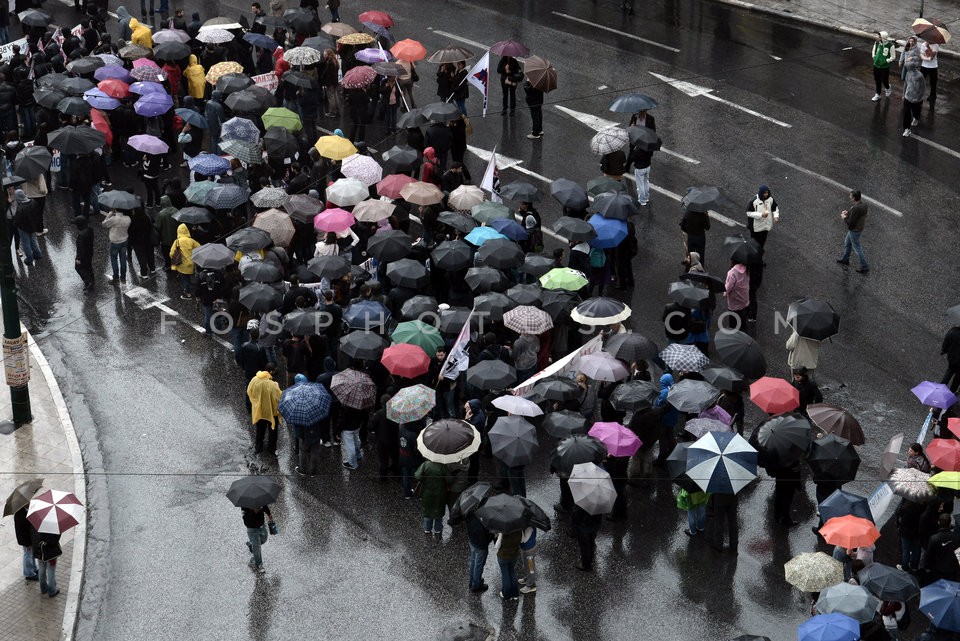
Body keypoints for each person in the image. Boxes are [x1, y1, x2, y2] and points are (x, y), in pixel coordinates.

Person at [247, 363, 282, 454]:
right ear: (271, 371)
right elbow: (278, 397)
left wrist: (255, 403)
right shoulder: (272, 384)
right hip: (271, 411)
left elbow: (249, 391)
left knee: (260, 430)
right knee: (272, 431)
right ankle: (271, 449)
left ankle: (258, 447)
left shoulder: (254, 379)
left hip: (259, 410)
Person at [414, 459, 450, 539]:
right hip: (440, 493)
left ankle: (427, 528)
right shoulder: (443, 466)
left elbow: (417, 476)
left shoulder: (425, 464)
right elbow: (450, 480)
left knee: (427, 509)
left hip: (427, 493)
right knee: (439, 509)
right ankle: (437, 529)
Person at [836, 190, 870, 273]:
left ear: (854, 198)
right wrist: (848, 213)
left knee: (857, 248)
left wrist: (844, 217)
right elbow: (856, 215)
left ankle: (864, 266)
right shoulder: (863, 205)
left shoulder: (856, 208)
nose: (849, 198)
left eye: (851, 196)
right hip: (859, 228)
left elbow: (851, 223)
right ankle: (845, 259)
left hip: (854, 230)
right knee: (847, 243)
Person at [923, 513, 960, 583]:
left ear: (939, 523)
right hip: (953, 569)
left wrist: (927, 566)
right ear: (949, 524)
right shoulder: (957, 537)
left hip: (938, 569)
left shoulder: (934, 538)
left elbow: (929, 554)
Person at [745, 184, 780, 252]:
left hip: (765, 226)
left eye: (767, 192)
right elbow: (748, 213)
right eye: (765, 193)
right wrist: (761, 215)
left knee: (762, 243)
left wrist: (776, 216)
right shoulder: (754, 201)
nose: (766, 194)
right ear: (761, 192)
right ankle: (753, 255)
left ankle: (759, 254)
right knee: (754, 243)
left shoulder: (770, 199)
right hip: (756, 227)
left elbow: (775, 208)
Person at [465, 508, 492, 593]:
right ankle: (476, 585)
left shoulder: (470, 513)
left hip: (472, 541)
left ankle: (472, 582)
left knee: (474, 561)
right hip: (480, 546)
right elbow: (484, 540)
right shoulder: (482, 522)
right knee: (479, 565)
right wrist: (492, 536)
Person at [170, 223, 200, 298]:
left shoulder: (177, 241)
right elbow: (199, 248)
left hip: (182, 265)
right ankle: (197, 294)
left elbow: (172, 253)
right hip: (192, 263)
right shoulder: (191, 241)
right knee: (193, 278)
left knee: (185, 279)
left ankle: (188, 294)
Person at [102, 209, 131, 283]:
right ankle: (123, 276)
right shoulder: (128, 218)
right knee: (123, 259)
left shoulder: (113, 219)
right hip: (124, 241)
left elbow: (104, 224)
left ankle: (116, 277)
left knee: (114, 259)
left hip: (115, 243)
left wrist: (109, 215)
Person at [896, 496, 924, 572]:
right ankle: (914, 566)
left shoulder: (907, 506)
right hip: (917, 531)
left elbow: (899, 514)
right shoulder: (923, 506)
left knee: (906, 550)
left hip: (906, 531)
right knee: (916, 549)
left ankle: (905, 567)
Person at [241, 504, 272, 573]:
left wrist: (269, 514)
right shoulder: (245, 504)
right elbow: (246, 521)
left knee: (264, 539)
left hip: (262, 526)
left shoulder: (259, 500)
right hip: (252, 529)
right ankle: (259, 565)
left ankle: (252, 545)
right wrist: (253, 511)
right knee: (257, 548)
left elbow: (265, 506)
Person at [571, 504, 602, 571]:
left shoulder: (582, 503)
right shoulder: (600, 503)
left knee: (584, 546)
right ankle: (590, 558)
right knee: (591, 542)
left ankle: (585, 565)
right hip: (594, 526)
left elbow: (576, 515)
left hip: (584, 527)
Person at [32, 529, 62, 597]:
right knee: (51, 571)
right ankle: (52, 591)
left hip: (39, 550)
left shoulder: (36, 524)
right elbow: (54, 540)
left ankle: (43, 588)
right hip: (50, 553)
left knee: (41, 569)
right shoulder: (54, 527)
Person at [495, 528, 522, 599]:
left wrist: (499, 536)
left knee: (505, 575)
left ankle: (506, 595)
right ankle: (515, 594)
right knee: (512, 572)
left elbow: (497, 546)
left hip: (503, 557)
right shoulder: (519, 530)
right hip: (514, 555)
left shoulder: (503, 531)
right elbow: (522, 540)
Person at [900, 57, 924, 138]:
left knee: (916, 111)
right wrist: (903, 94)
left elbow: (923, 89)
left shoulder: (920, 76)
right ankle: (907, 129)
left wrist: (918, 98)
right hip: (908, 97)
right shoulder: (908, 73)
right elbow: (905, 84)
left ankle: (916, 118)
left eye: (907, 67)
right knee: (906, 113)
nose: (906, 68)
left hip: (917, 99)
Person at [723, 260, 749, 331]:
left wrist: (725, 293)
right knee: (742, 317)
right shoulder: (746, 268)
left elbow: (728, 287)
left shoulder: (732, 273)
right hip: (744, 299)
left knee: (733, 321)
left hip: (734, 301)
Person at [871, 31, 897, 101]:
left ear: (883, 37)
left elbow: (893, 56)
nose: (878, 37)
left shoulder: (890, 45)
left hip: (884, 66)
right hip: (876, 64)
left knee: (884, 80)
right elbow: (874, 50)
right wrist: (874, 57)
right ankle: (877, 94)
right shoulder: (877, 43)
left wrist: (886, 61)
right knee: (877, 79)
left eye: (879, 36)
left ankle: (888, 87)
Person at [14, 505, 37, 581]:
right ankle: (29, 574)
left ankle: (34, 568)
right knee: (28, 555)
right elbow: (23, 531)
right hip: (26, 540)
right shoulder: (21, 514)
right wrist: (27, 544)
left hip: (29, 538)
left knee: (31, 554)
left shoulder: (24, 511)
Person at [74, 216, 95, 292]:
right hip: (90, 252)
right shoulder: (90, 229)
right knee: (88, 267)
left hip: (83, 255)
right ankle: (92, 280)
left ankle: (89, 282)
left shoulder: (81, 235)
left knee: (78, 268)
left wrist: (78, 258)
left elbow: (81, 248)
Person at [518, 526, 538, 594]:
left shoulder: (529, 528)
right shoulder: (527, 525)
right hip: (526, 549)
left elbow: (523, 540)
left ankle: (531, 585)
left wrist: (519, 531)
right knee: (526, 565)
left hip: (529, 551)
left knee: (530, 568)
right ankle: (527, 578)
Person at [918, 38, 938, 104]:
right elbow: (921, 55)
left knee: (933, 82)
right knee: (921, 81)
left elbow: (932, 57)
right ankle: (919, 94)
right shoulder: (923, 44)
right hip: (924, 66)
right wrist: (926, 58)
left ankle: (933, 96)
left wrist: (928, 47)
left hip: (933, 67)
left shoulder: (936, 45)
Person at [941, 325, 960, 393]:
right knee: (957, 380)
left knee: (949, 372)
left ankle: (940, 389)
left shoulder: (953, 331)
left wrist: (944, 350)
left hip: (952, 358)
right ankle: (951, 394)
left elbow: (946, 340)